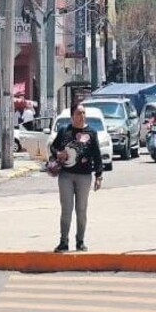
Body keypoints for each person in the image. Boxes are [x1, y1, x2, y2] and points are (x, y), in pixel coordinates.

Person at [49, 104, 104, 252]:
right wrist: (58, 154)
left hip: (84, 176)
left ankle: (80, 241)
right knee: (66, 209)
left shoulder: (91, 133)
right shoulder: (64, 131)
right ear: (72, 116)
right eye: (79, 113)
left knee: (81, 210)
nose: (82, 116)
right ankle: (63, 241)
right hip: (66, 175)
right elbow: (53, 147)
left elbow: (97, 155)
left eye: (84, 113)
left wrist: (99, 175)